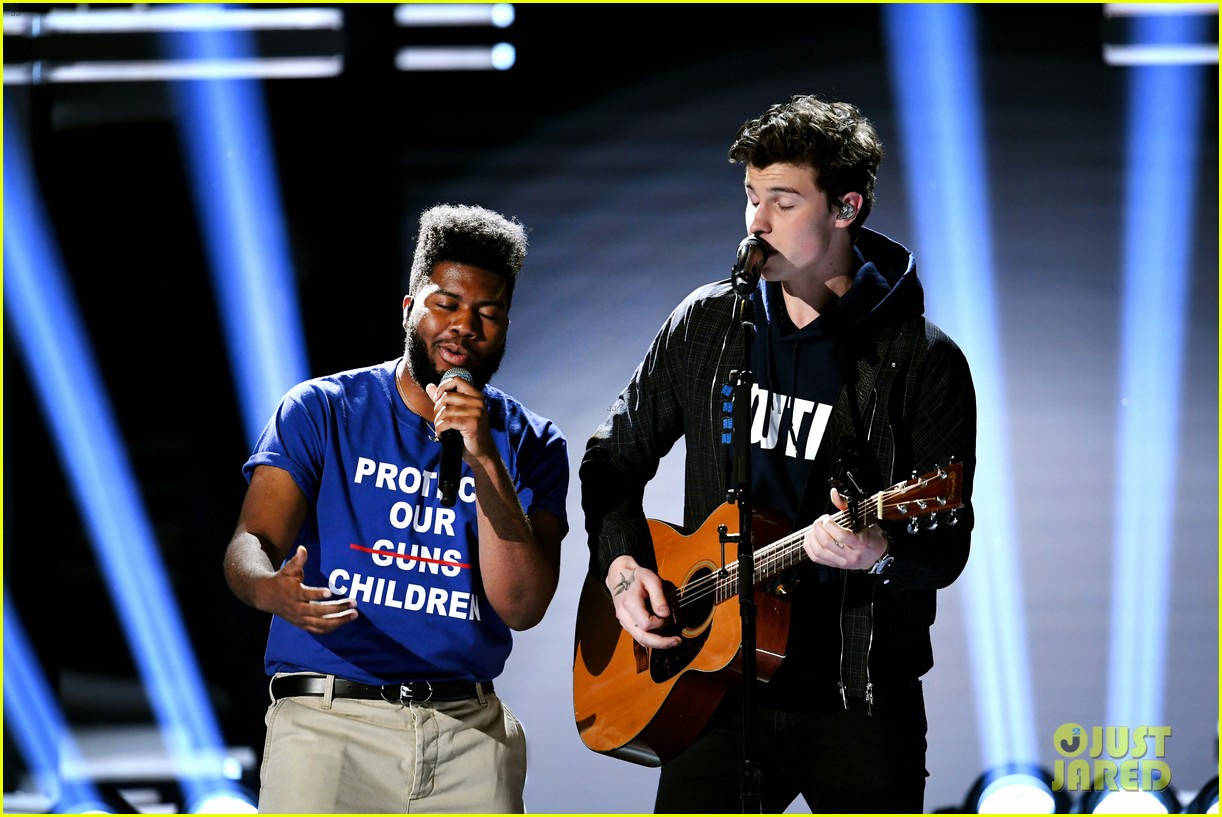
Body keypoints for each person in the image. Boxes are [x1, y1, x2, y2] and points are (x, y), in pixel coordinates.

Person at [579, 94, 976, 813]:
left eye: (783, 202)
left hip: (856, 698)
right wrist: (621, 566)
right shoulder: (707, 324)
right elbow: (610, 459)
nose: (756, 222)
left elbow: (946, 545)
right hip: (713, 688)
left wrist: (877, 551)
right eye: (751, 198)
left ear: (846, 207)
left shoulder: (921, 361)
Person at [224, 203, 568, 813]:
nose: (465, 327)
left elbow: (522, 605)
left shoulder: (532, 443)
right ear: (410, 308)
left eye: (487, 314)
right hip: (330, 725)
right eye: (446, 304)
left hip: (469, 731)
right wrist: (269, 589)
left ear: (507, 326)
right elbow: (252, 539)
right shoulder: (321, 408)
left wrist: (486, 459)